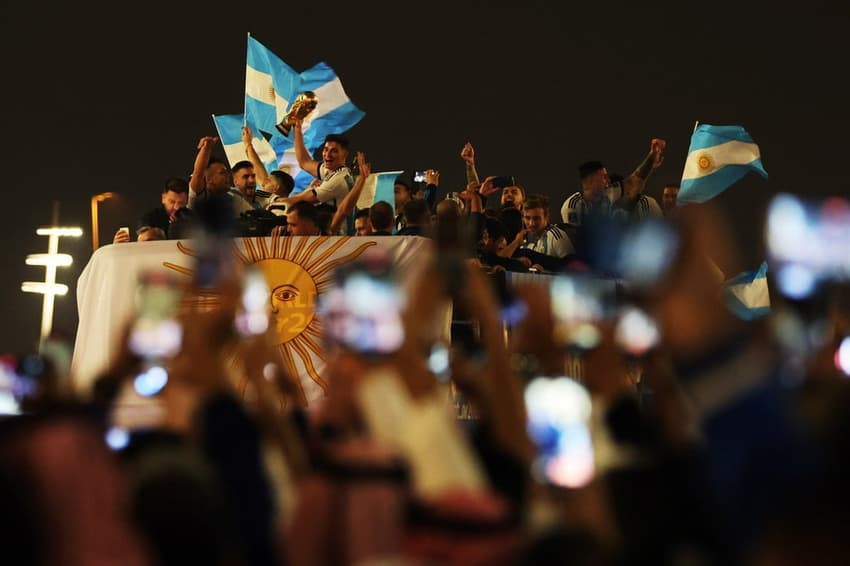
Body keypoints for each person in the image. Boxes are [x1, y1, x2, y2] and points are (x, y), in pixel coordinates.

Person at [560, 138, 665, 228]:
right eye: (604, 177)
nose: (608, 180)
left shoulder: (608, 194)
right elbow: (574, 241)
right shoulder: (573, 205)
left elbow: (634, 181)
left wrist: (652, 155)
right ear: (591, 180)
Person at [277, 120, 354, 213]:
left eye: (334, 151)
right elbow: (304, 162)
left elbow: (302, 200)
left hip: (336, 227)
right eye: (325, 150)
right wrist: (297, 129)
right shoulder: (335, 171)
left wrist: (275, 201)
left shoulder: (338, 180)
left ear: (345, 154)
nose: (327, 155)